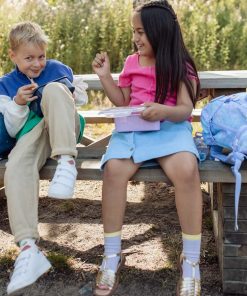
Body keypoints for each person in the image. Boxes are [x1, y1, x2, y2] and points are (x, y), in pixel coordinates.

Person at [92, 1, 202, 295]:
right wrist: (105, 77)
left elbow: (184, 109)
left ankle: (191, 261)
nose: (136, 38)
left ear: (160, 32)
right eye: (134, 32)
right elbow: (122, 101)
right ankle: (112, 254)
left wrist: (163, 111)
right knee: (114, 170)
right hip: (134, 132)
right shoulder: (131, 62)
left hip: (170, 129)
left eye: (141, 32)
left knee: (188, 170)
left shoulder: (180, 64)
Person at [0, 21, 88, 295]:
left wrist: (67, 91)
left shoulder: (57, 70)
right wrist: (18, 104)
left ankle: (66, 161)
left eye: (41, 56)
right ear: (13, 56)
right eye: (29, 58)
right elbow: (13, 130)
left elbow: (80, 101)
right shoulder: (6, 86)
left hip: (65, 128)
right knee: (16, 165)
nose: (37, 64)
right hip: (36, 132)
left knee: (52, 89)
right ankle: (28, 248)